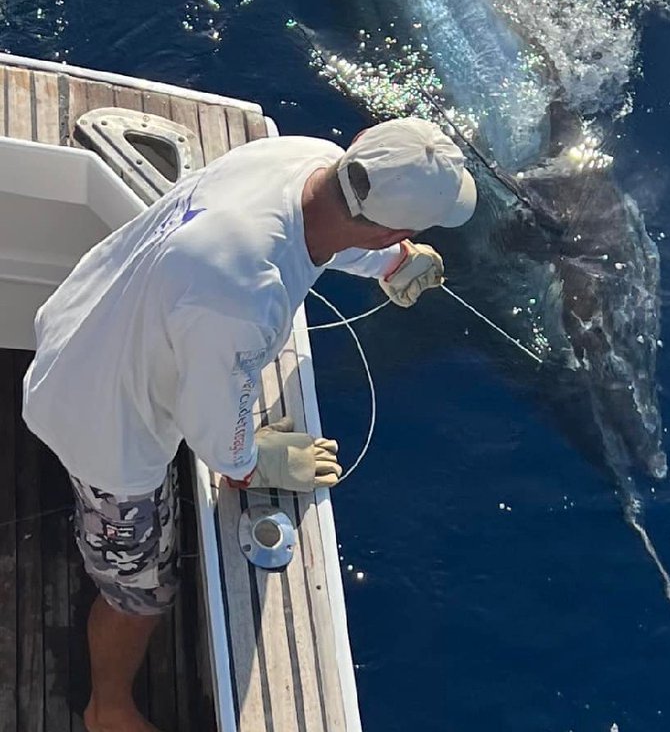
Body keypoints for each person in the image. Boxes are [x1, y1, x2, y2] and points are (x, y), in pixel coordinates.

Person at [22, 116, 477, 732]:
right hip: (105, 433)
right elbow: (215, 435)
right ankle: (108, 706)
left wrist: (392, 263)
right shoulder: (244, 295)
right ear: (394, 224)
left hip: (75, 328)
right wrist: (252, 462)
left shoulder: (300, 155)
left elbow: (331, 227)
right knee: (141, 590)